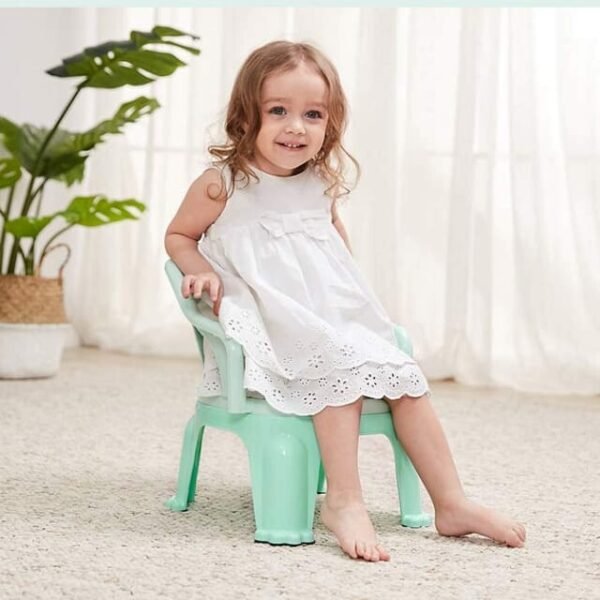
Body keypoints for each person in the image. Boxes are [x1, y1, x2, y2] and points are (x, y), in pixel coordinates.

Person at [164, 40, 526, 562]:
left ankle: (452, 501)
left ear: (330, 123)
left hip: (326, 314)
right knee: (336, 361)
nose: (296, 127)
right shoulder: (224, 184)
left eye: (313, 114)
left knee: (403, 375)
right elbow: (178, 236)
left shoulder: (319, 183)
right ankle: (344, 500)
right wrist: (197, 269)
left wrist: (353, 304)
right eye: (278, 112)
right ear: (247, 116)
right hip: (272, 320)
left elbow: (332, 247)